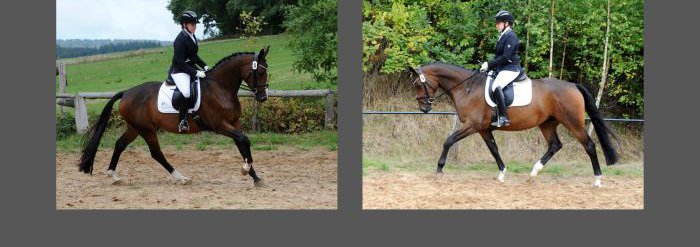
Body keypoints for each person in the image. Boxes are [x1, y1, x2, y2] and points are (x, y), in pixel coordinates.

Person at [480, 10, 521, 127]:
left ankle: (504, 117)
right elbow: (499, 56)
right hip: (503, 67)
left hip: (511, 68)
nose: (496, 25)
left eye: (499, 23)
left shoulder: (511, 36)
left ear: (506, 23)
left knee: (495, 86)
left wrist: (489, 64)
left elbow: (505, 57)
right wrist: (490, 67)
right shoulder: (503, 35)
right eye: (497, 23)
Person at [170, 10, 208, 132]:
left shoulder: (191, 36)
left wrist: (205, 66)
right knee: (186, 92)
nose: (195, 26)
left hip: (190, 68)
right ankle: (182, 121)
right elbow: (180, 63)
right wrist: (196, 72)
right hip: (180, 71)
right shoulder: (179, 40)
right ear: (184, 25)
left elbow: (193, 56)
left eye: (195, 24)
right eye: (192, 24)